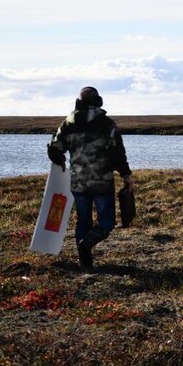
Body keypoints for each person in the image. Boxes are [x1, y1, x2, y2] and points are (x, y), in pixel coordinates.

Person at [47, 87, 133, 269]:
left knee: (83, 221)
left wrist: (59, 160)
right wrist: (126, 174)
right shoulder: (106, 124)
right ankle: (86, 245)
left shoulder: (68, 123)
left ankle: (85, 263)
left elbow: (55, 147)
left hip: (78, 182)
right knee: (107, 222)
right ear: (98, 101)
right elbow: (118, 152)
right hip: (102, 182)